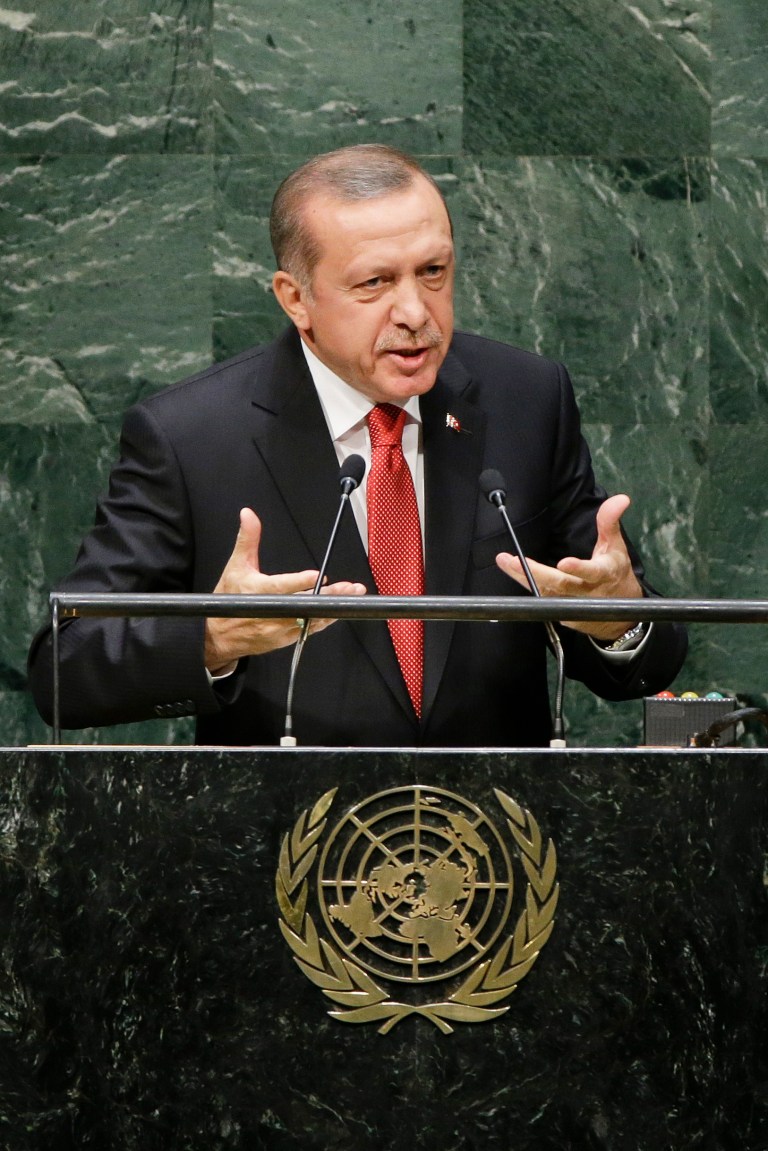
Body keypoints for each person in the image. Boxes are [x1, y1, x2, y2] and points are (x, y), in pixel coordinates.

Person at [27, 144, 687, 747]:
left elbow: (650, 656)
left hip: (495, 851)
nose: (415, 312)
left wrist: (616, 618)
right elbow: (65, 666)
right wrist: (213, 638)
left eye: (433, 271)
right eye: (374, 283)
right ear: (297, 299)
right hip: (287, 850)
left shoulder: (527, 400)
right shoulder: (190, 436)